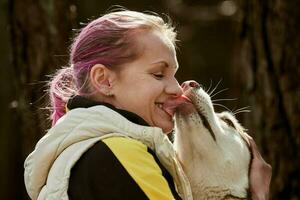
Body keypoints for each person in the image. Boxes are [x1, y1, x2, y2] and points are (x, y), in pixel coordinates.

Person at [24, 9, 271, 200]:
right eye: (158, 74)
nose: (177, 88)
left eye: (174, 74)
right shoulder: (119, 155)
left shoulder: (94, 150)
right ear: (104, 80)